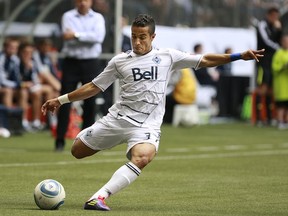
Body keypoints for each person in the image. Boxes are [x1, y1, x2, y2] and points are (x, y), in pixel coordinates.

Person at [41, 14, 264, 211]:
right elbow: (93, 86)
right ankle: (105, 140)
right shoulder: (119, 61)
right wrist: (61, 100)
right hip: (117, 119)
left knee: (144, 157)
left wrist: (237, 56)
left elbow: (203, 59)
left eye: (142, 37)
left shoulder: (168, 56)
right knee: (77, 151)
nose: (137, 42)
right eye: (134, 36)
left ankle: (99, 197)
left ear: (153, 37)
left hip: (146, 126)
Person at [55, 0, 106, 151]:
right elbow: (67, 36)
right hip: (71, 62)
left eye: (86, 0)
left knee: (90, 101)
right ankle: (59, 140)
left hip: (90, 63)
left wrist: (76, 35)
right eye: (80, 0)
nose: (83, 3)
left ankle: (86, 142)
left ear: (91, 2)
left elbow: (98, 38)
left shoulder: (98, 18)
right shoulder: (68, 16)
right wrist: (85, 37)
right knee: (64, 100)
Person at [255, 6, 282, 125]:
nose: (275, 18)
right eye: (274, 16)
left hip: (273, 60)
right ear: (269, 15)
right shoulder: (262, 25)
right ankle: (259, 118)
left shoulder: (276, 26)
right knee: (262, 89)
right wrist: (279, 48)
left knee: (271, 90)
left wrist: (278, 30)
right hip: (263, 60)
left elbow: (279, 39)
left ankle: (270, 117)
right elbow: (266, 41)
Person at [18, 41, 54, 131]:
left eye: (30, 53)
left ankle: (46, 122)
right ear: (20, 53)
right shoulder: (16, 62)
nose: (28, 55)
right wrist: (24, 83)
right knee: (24, 92)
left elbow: (35, 79)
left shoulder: (32, 62)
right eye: (26, 52)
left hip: (31, 87)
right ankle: (23, 122)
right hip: (18, 88)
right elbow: (16, 79)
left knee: (48, 90)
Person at [272, 34, 288, 130]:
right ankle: (280, 121)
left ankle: (286, 121)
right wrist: (283, 67)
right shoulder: (278, 53)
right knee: (281, 104)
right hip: (281, 83)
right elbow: (274, 67)